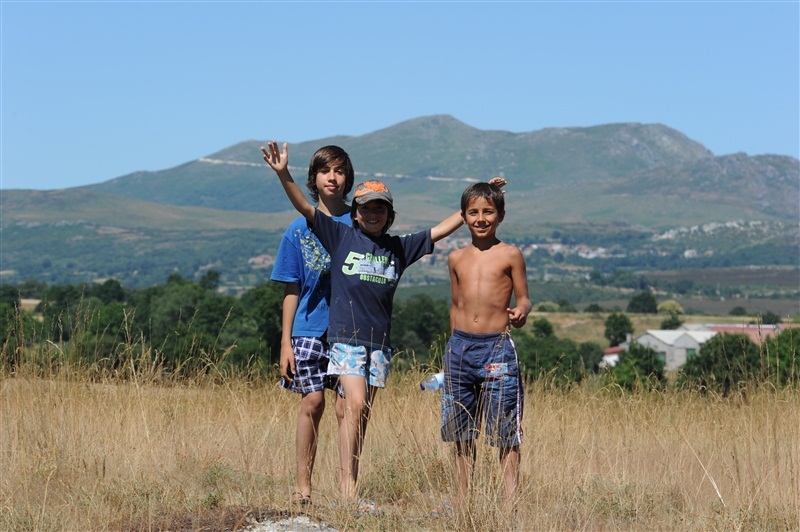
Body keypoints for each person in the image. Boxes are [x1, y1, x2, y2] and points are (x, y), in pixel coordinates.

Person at [261, 140, 474, 501]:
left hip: (377, 343)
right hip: (332, 335)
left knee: (355, 412)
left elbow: (438, 231)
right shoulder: (338, 234)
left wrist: (472, 204)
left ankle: (347, 488)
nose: (372, 214)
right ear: (358, 214)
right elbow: (302, 213)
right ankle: (319, 487)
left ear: (388, 215)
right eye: (367, 209)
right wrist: (283, 174)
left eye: (380, 209)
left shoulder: (396, 247)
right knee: (329, 403)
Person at [269, 145, 353, 506]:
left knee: (346, 408)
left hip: (350, 330)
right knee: (313, 403)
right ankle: (303, 487)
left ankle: (347, 488)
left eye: (339, 171)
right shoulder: (297, 229)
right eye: (325, 171)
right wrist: (285, 341)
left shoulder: (361, 221)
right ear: (314, 178)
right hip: (307, 329)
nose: (332, 178)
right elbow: (292, 287)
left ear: (348, 177)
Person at [441, 181, 532, 515]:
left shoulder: (510, 254)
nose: (481, 218)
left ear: (501, 216)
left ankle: (510, 505)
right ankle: (464, 501)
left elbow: (523, 297)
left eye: (488, 212)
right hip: (460, 349)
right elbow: (455, 305)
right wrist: (451, 351)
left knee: (506, 429)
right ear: (463, 217)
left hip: (497, 349)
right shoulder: (455, 257)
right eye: (473, 212)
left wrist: (521, 312)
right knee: (461, 429)